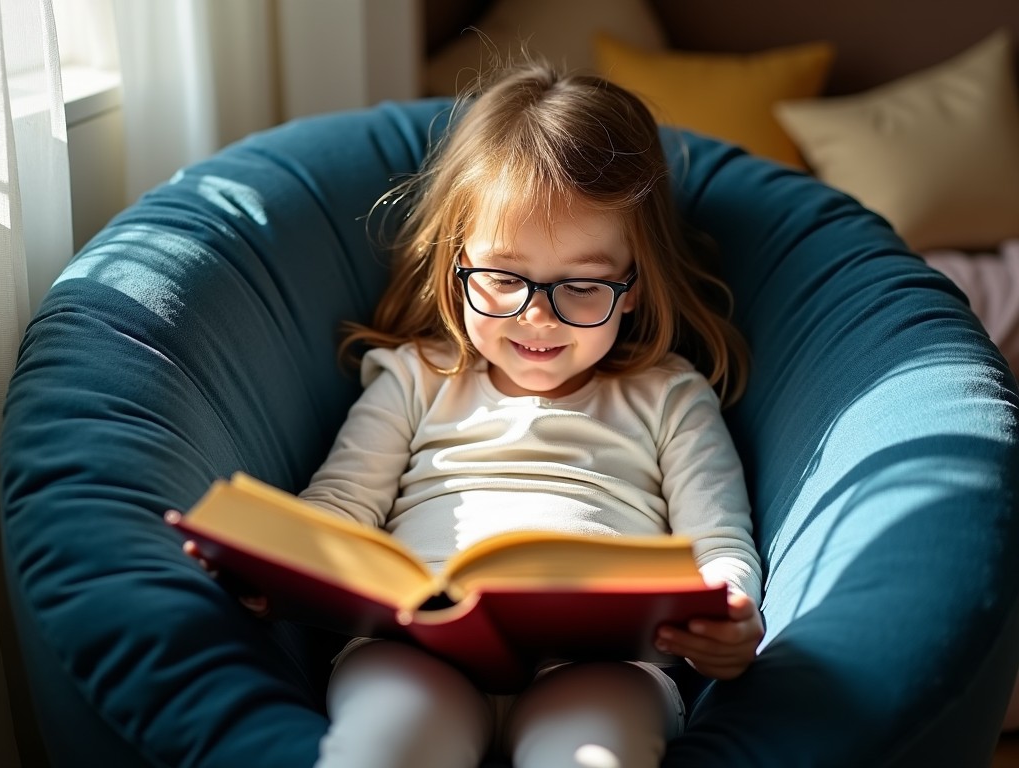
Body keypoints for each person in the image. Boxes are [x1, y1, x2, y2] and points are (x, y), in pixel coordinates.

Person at [195, 59, 764, 768]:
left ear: (636, 284)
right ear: (456, 262)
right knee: (382, 748)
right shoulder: (415, 377)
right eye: (502, 278)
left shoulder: (669, 394)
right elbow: (343, 504)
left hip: (602, 666)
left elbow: (718, 541)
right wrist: (281, 567)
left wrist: (733, 615)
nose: (538, 317)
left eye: (582, 286)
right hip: (415, 648)